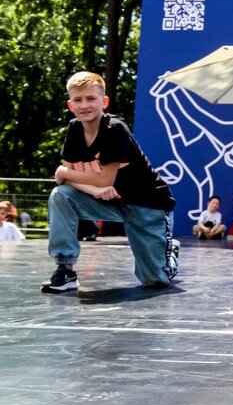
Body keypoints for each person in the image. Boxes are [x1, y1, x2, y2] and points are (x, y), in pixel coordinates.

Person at [43, 71, 179, 293]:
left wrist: (64, 172)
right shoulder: (75, 129)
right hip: (111, 200)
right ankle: (65, 269)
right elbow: (65, 181)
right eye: (78, 99)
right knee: (60, 195)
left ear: (104, 101)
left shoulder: (114, 128)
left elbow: (102, 178)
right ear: (70, 104)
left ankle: (169, 253)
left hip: (147, 205)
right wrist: (93, 190)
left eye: (91, 98)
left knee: (155, 280)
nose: (84, 105)